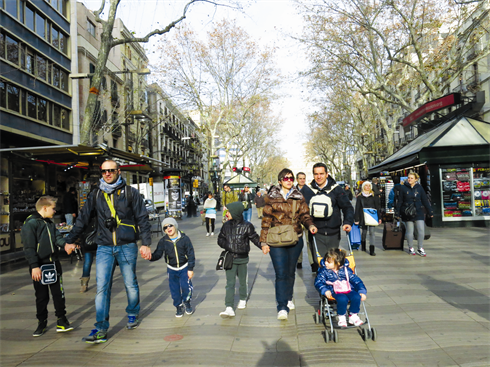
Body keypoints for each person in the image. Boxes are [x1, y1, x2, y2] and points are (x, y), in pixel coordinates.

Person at [65, 159, 152, 344]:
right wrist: (70, 240)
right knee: (102, 288)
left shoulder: (131, 193)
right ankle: (101, 328)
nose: (107, 174)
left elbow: (143, 218)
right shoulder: (95, 195)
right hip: (104, 247)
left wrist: (145, 243)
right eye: (104, 171)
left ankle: (132, 314)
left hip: (127, 246)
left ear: (118, 171)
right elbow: (83, 218)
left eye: (111, 170)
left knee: (130, 284)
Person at [260, 169, 317, 320]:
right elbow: (266, 220)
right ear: (280, 181)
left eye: (291, 178)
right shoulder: (271, 197)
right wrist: (263, 242)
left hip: (294, 239)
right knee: (280, 274)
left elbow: (304, 214)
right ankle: (282, 306)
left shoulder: (298, 196)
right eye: (286, 178)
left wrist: (310, 225)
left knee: (290, 272)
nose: (289, 180)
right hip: (276, 240)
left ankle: (289, 297)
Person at [22, 196, 77, 337]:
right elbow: (29, 247)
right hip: (39, 266)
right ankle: (42, 322)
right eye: (53, 208)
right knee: (41, 296)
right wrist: (34, 266)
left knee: (59, 294)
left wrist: (65, 245)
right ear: (44, 208)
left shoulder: (50, 223)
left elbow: (57, 237)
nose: (55, 210)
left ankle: (61, 320)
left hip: (53, 264)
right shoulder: (31, 223)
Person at [301, 163, 354, 266]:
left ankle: (331, 282)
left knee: (332, 263)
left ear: (326, 174)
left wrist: (348, 222)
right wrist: (309, 224)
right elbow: (303, 212)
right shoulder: (307, 191)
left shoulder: (336, 189)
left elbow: (347, 207)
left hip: (333, 233)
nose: (319, 176)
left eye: (321, 173)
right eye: (316, 174)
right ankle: (321, 281)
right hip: (316, 233)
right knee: (319, 262)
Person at [218, 201, 264, 317]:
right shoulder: (226, 225)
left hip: (242, 259)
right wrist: (229, 246)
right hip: (230, 258)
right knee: (230, 283)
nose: (226, 213)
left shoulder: (247, 226)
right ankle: (229, 306)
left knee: (243, 281)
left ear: (235, 212)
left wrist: (263, 246)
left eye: (228, 211)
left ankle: (243, 298)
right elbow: (220, 239)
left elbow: (254, 238)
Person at [148, 218, 195, 317]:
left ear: (175, 226)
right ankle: (178, 306)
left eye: (170, 225)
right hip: (172, 269)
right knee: (174, 290)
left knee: (186, 287)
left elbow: (191, 254)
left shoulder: (184, 239)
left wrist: (190, 269)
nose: (168, 228)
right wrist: (150, 257)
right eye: (165, 227)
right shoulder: (163, 241)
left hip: (184, 267)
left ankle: (187, 302)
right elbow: (158, 254)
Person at [314, 248, 367, 328]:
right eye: (325, 260)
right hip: (333, 291)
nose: (325, 263)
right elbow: (318, 282)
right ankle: (341, 316)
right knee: (342, 299)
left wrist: (362, 291)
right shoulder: (324, 271)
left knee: (356, 297)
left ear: (338, 263)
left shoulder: (346, 270)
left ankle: (353, 315)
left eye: (329, 262)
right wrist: (325, 290)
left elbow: (356, 280)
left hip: (347, 289)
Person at [395, 172, 433, 257]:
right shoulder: (403, 188)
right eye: (408, 178)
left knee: (421, 230)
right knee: (410, 231)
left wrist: (430, 211)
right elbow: (400, 201)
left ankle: (420, 248)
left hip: (418, 211)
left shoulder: (419, 188)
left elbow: (425, 200)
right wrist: (397, 212)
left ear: (416, 179)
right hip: (407, 212)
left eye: (411, 178)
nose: (409, 179)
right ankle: (411, 247)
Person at [354, 181, 381, 256]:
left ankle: (372, 249)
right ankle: (363, 245)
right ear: (363, 187)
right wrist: (356, 219)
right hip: (363, 217)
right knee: (364, 232)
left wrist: (379, 217)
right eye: (366, 185)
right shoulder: (360, 197)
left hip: (372, 216)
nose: (368, 187)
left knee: (372, 232)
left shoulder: (374, 196)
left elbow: (377, 207)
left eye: (369, 186)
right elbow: (357, 208)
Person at [295, 171, 314, 270]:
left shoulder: (309, 191)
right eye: (300, 178)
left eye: (303, 178)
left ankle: (312, 262)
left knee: (309, 242)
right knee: (298, 241)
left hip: (307, 220)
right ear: (297, 179)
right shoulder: (293, 191)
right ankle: (299, 261)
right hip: (296, 221)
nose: (302, 180)